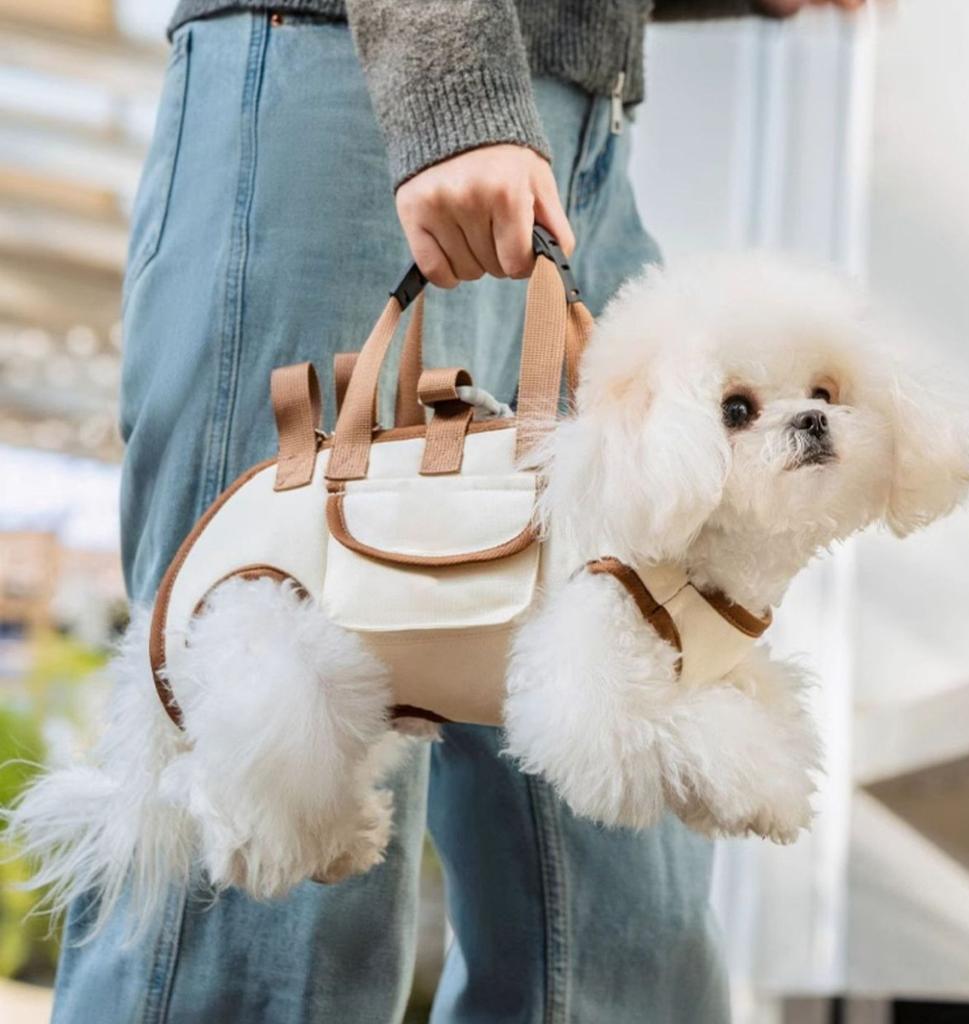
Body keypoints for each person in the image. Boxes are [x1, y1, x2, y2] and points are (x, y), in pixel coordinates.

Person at [52, 1, 862, 1021]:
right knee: (271, 885)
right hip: (364, 72)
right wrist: (451, 82)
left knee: (620, 930)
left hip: (582, 124)